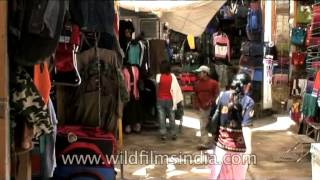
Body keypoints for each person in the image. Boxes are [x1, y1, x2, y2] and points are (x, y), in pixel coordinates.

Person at [209, 72, 255, 180]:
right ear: (247, 86)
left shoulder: (222, 96)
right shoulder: (248, 102)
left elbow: (215, 118)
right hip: (238, 151)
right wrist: (248, 150)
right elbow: (246, 127)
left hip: (220, 147)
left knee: (221, 177)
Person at [156, 61, 183, 141]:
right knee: (172, 116)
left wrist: (157, 97)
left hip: (160, 99)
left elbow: (157, 88)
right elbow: (176, 87)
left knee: (161, 117)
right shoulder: (172, 76)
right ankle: (173, 134)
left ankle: (163, 134)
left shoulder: (159, 76)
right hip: (170, 99)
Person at [194, 65, 219, 150]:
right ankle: (205, 142)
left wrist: (211, 102)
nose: (198, 74)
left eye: (200, 72)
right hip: (202, 107)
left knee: (213, 124)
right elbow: (196, 95)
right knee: (203, 125)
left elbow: (216, 94)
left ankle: (215, 141)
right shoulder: (197, 84)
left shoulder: (214, 83)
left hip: (212, 107)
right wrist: (197, 104)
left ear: (205, 73)